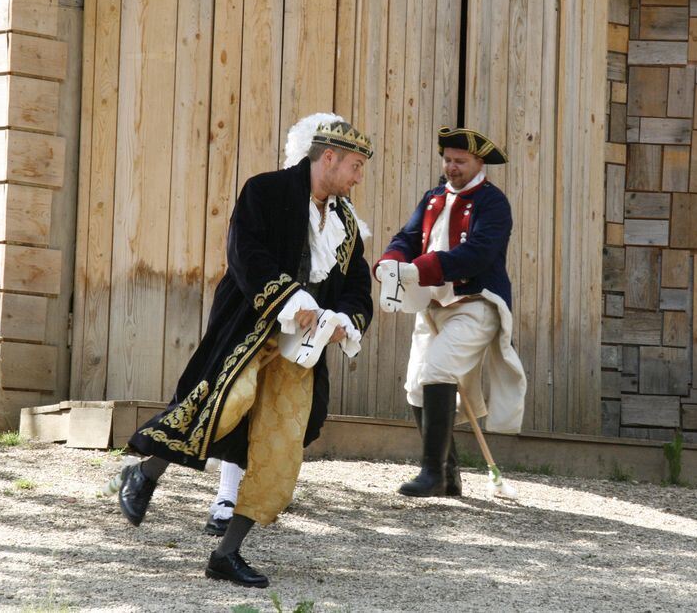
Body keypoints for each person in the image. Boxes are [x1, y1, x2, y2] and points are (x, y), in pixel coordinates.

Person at [117, 115, 376, 585]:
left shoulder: (345, 221)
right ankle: (146, 473)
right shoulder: (266, 191)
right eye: (355, 166)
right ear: (329, 158)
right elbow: (246, 254)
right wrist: (291, 300)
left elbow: (357, 284)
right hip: (248, 329)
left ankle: (226, 553)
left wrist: (344, 321)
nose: (359, 178)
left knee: (281, 443)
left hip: (300, 352)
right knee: (222, 406)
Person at [374, 126, 526, 497]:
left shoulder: (494, 203)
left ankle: (431, 475)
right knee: (416, 386)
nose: (451, 167)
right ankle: (449, 475)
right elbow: (407, 238)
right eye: (447, 160)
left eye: (460, 161)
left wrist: (422, 268)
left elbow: (477, 254)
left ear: (479, 163)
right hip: (432, 305)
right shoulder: (433, 198)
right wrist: (391, 261)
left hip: (476, 305)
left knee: (437, 369)